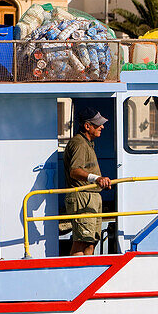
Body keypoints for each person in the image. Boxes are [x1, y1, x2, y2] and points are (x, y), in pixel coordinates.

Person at [63, 108, 113, 255]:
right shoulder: (79, 143)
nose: (102, 127)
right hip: (83, 197)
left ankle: (86, 271)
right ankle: (75, 274)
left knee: (90, 241)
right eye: (98, 124)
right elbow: (74, 171)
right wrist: (96, 178)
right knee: (82, 241)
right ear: (87, 126)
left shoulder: (87, 143)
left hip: (91, 196)